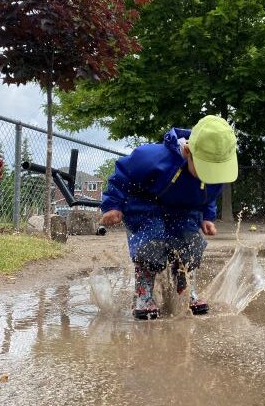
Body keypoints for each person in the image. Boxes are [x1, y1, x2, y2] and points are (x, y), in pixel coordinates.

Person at [100, 115, 238, 320]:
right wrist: (113, 205)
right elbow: (122, 176)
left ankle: (183, 289)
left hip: (183, 210)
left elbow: (209, 194)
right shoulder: (153, 158)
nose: (208, 176)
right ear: (188, 151)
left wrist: (207, 216)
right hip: (144, 205)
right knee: (152, 242)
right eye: (205, 169)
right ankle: (144, 293)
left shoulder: (213, 175)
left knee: (191, 244)